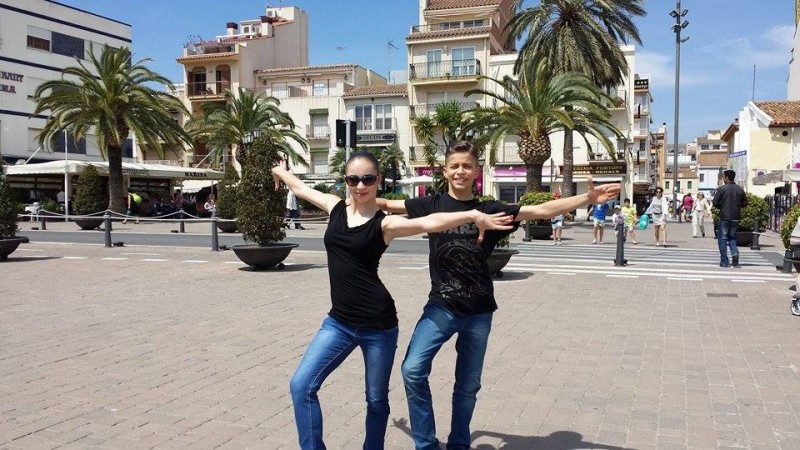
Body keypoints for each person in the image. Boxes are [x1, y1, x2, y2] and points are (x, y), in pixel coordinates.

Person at [375, 141, 620, 450]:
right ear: (445, 171)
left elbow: (540, 210)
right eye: (454, 166)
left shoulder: (490, 209)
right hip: (441, 306)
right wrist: (356, 190)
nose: (460, 171)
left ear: (476, 171)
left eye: (467, 166)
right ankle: (426, 444)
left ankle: (459, 444)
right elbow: (386, 204)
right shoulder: (431, 204)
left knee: (468, 385)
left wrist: (587, 198)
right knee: (412, 370)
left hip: (478, 311)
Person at [272, 151, 514, 450]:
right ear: (345, 181)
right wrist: (279, 171)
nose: (360, 185)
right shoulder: (334, 207)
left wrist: (471, 215)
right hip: (338, 323)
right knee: (301, 385)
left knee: (375, 399)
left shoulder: (385, 224)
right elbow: (299, 188)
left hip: (379, 326)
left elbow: (430, 222)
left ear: (379, 181)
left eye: (368, 179)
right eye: (353, 179)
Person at [713, 169, 747, 267]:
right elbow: (745, 203)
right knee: (732, 237)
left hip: (724, 216)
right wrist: (737, 206)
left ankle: (724, 261)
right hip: (735, 217)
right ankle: (735, 254)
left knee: (722, 239)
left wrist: (722, 207)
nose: (723, 179)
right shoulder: (740, 189)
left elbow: (715, 202)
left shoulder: (722, 189)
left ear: (727, 177)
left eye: (723, 177)